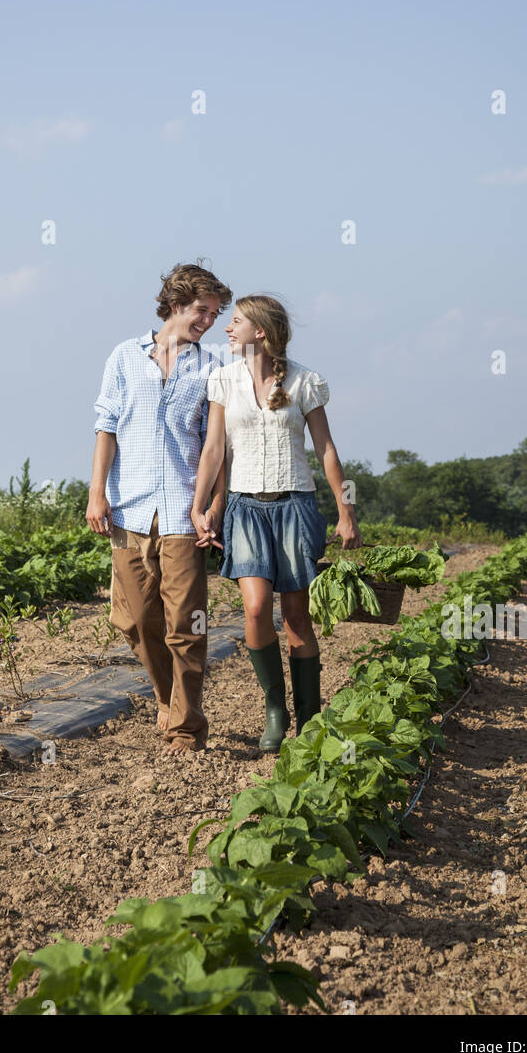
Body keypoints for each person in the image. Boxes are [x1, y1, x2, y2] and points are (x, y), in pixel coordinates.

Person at [191, 294, 363, 752]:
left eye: (237, 322)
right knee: (253, 608)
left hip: (296, 505)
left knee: (295, 618)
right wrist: (202, 504)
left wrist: (346, 511)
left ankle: (308, 715)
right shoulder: (223, 381)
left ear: (261, 331)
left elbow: (326, 448)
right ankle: (275, 708)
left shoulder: (305, 381)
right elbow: (213, 450)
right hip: (245, 509)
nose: (227, 329)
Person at [86, 261, 232, 754]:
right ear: (174, 304)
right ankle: (169, 701)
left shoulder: (213, 367)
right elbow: (106, 428)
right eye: (201, 310)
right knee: (136, 621)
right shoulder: (125, 357)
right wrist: (96, 492)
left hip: (182, 514)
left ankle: (185, 729)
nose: (208, 321)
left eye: (214, 314)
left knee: (187, 624)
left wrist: (214, 505)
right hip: (128, 510)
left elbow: (218, 446)